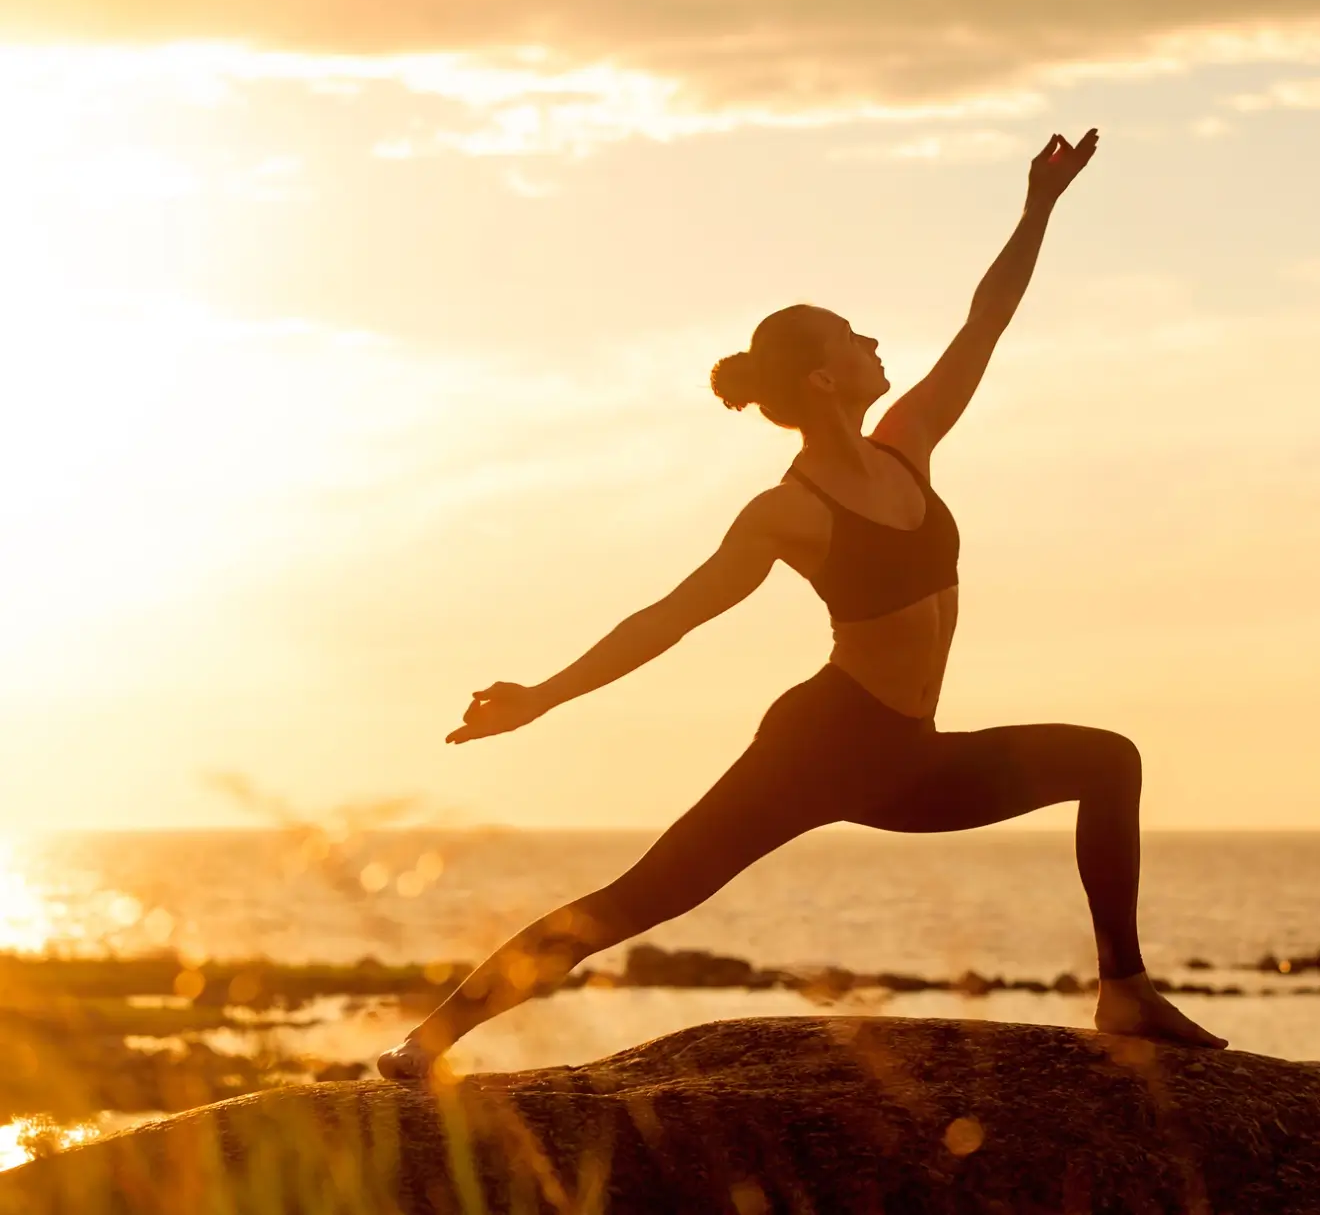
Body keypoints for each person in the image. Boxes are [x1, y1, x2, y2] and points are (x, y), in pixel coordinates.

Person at [377, 128, 1224, 1081]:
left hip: (911, 759)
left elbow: (986, 320)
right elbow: (670, 615)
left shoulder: (909, 442)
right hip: (821, 746)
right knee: (639, 899)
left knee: (1107, 761)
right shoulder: (790, 512)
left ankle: (1124, 988)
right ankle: (425, 1045)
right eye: (851, 335)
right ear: (824, 378)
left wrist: (1039, 209)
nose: (871, 340)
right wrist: (539, 697)